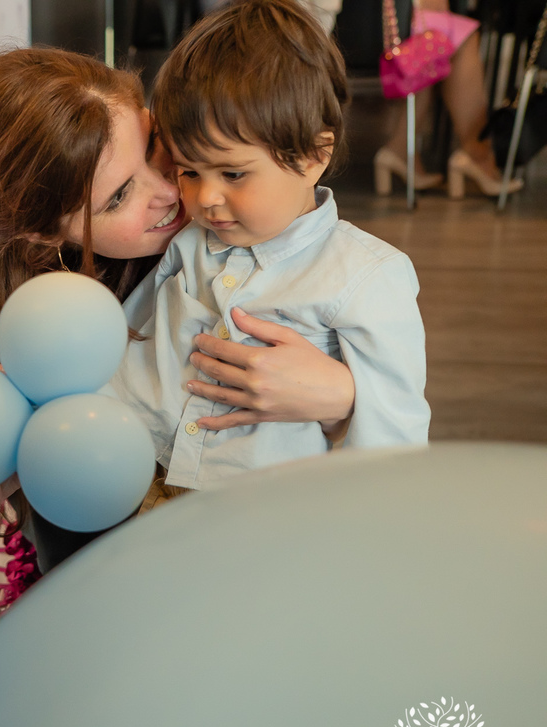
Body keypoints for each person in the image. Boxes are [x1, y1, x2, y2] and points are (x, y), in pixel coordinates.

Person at [0, 47, 357, 608]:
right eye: (119, 196)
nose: (171, 192)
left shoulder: (229, 207)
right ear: (45, 236)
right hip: (97, 551)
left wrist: (341, 395)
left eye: (153, 149)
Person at [114, 0, 430, 498]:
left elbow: (394, 432)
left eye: (233, 173)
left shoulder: (366, 276)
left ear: (312, 156)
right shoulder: (189, 242)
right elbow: (132, 342)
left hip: (272, 505)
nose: (207, 198)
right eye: (189, 172)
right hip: (149, 480)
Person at [372, 0, 524, 198]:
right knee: (455, 38)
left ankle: (400, 148)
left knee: (434, 49)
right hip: (388, 25)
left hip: (354, 23)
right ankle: (477, 153)